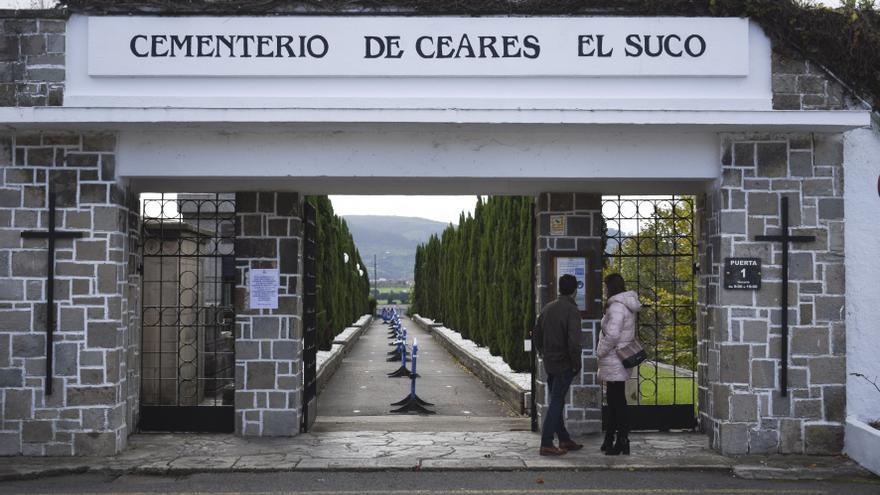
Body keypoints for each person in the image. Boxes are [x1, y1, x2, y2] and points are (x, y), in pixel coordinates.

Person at [534, 274, 584, 456]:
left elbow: (537, 334)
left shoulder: (548, 308)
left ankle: (564, 439)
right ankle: (546, 442)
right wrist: (576, 364)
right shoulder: (572, 311)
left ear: (559, 288)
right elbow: (574, 342)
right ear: (574, 290)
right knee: (556, 402)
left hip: (550, 362)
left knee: (557, 400)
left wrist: (543, 352)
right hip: (564, 363)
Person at [597, 273, 641, 456]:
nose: (605, 289)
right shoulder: (626, 305)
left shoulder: (616, 307)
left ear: (611, 287)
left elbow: (613, 335)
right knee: (615, 401)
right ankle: (610, 439)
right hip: (620, 359)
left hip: (614, 358)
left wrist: (600, 351)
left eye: (606, 286)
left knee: (617, 402)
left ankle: (622, 440)